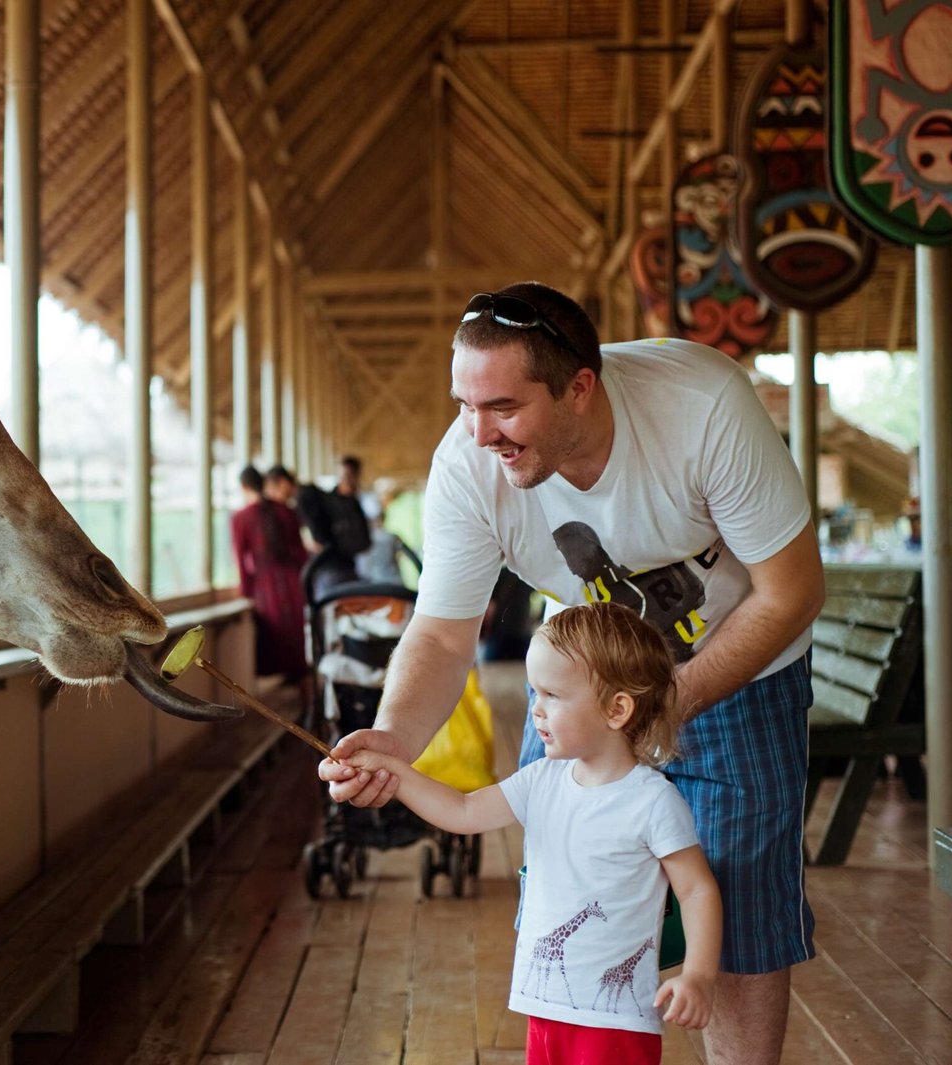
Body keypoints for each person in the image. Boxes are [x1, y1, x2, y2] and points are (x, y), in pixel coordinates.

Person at [320, 282, 824, 1065]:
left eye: (503, 408)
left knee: (741, 911)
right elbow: (445, 634)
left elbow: (791, 593)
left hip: (740, 666)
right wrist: (393, 738)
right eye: (463, 404)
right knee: (566, 891)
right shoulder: (468, 463)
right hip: (583, 689)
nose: (478, 432)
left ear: (579, 387)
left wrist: (667, 704)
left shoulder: (703, 406)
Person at [340, 602, 722, 1065]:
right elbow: (462, 811)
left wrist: (698, 975)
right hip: (544, 1007)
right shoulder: (541, 779)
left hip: (614, 1020)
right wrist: (393, 770)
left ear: (617, 709)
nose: (536, 711)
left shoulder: (653, 801)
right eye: (534, 693)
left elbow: (697, 889)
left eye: (553, 696)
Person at [230, 465, 309, 684]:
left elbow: (241, 561)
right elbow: (301, 553)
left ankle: (295, 702)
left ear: (244, 487)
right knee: (297, 648)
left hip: (266, 590)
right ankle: (306, 699)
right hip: (293, 587)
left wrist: (246, 592)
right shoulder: (286, 511)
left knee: (277, 648)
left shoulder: (241, 518)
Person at [296, 455, 373, 597]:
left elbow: (364, 542)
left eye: (350, 475)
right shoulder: (326, 502)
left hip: (350, 568)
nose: (346, 480)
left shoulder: (355, 504)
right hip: (329, 571)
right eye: (343, 475)